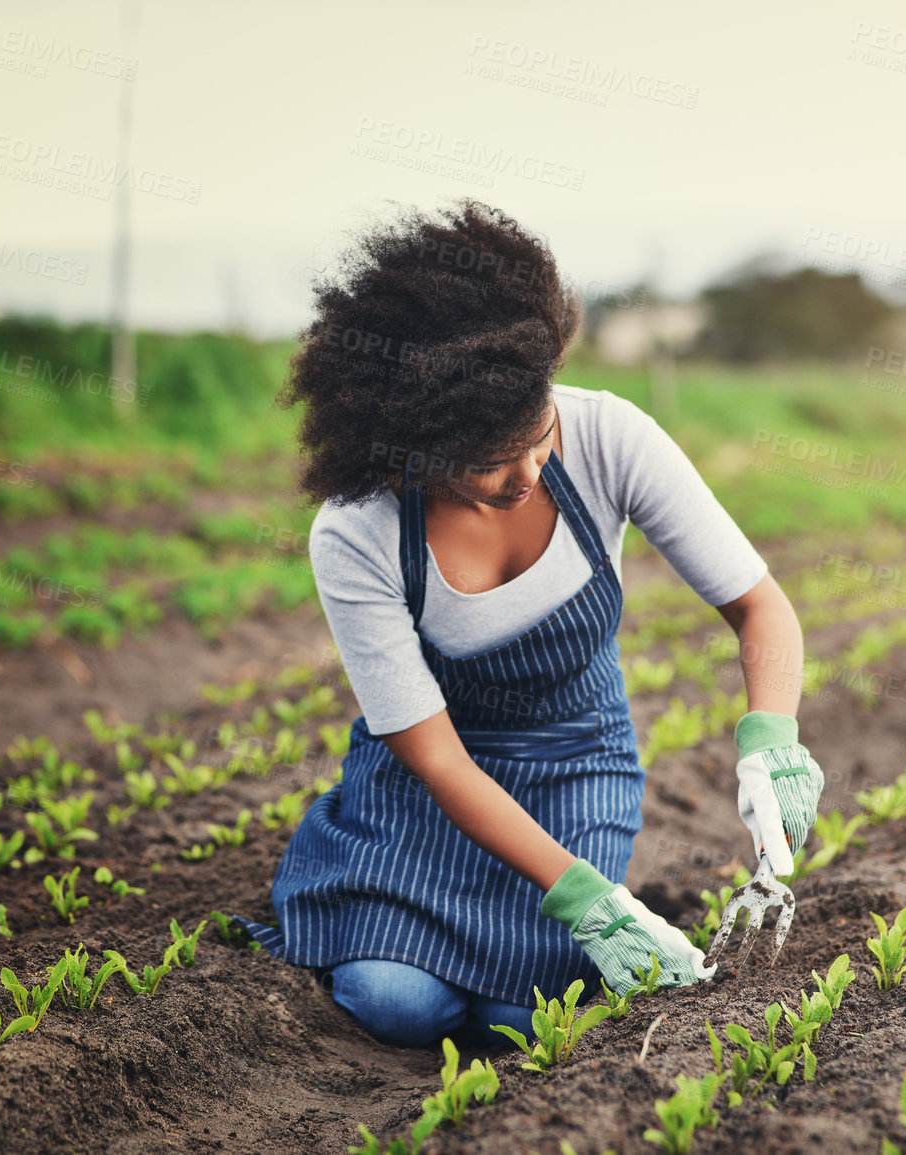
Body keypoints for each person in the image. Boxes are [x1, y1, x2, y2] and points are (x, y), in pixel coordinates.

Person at [229, 198, 822, 1051]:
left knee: (517, 1019)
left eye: (535, 435)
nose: (524, 473)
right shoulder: (357, 530)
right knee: (399, 1002)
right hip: (434, 789)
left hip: (577, 762)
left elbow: (758, 605)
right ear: (413, 442)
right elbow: (432, 754)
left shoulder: (608, 436)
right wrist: (581, 898)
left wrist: (771, 735)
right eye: (484, 462)